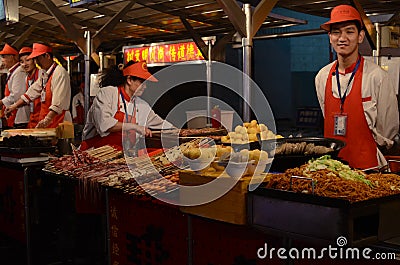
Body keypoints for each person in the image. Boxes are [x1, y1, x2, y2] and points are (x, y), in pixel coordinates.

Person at [315, 4, 399, 169]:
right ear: (329, 36)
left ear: (360, 36)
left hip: (369, 169)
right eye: (336, 32)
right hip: (331, 170)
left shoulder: (377, 77)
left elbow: (388, 130)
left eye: (349, 31)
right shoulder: (322, 77)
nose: (342, 38)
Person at [81, 60, 175, 151]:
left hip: (122, 154)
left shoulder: (142, 104)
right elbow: (104, 124)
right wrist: (135, 127)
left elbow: (161, 123)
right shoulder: (108, 93)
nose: (145, 87)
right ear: (129, 80)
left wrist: (178, 131)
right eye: (142, 82)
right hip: (94, 153)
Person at [5, 42, 72, 128]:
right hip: (47, 123)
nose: (36, 62)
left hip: (59, 122)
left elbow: (58, 104)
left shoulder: (59, 73)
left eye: (38, 58)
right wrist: (14, 106)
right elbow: (32, 91)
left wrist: (47, 119)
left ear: (47, 56)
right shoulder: (45, 74)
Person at [0, 43, 29, 128]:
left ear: (13, 57)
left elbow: (17, 95)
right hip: (14, 112)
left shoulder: (19, 72)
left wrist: (2, 102)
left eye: (4, 57)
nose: (2, 60)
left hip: (20, 114)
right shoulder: (13, 71)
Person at [19, 46, 46, 128]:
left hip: (43, 117)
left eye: (27, 60)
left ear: (34, 60)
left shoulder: (42, 74)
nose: (24, 64)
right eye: (21, 62)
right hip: (32, 117)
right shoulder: (26, 78)